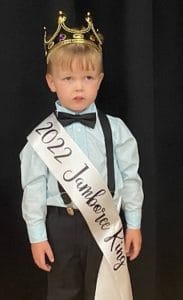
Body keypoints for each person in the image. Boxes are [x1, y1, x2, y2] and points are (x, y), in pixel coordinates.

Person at [20, 10, 143, 300]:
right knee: (64, 293)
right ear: (51, 82)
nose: (78, 86)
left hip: (106, 222)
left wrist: (134, 223)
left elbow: (131, 178)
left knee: (106, 293)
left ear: (99, 80)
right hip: (60, 226)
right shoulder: (41, 138)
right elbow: (33, 189)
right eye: (68, 77)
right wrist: (37, 237)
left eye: (87, 77)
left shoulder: (117, 130)